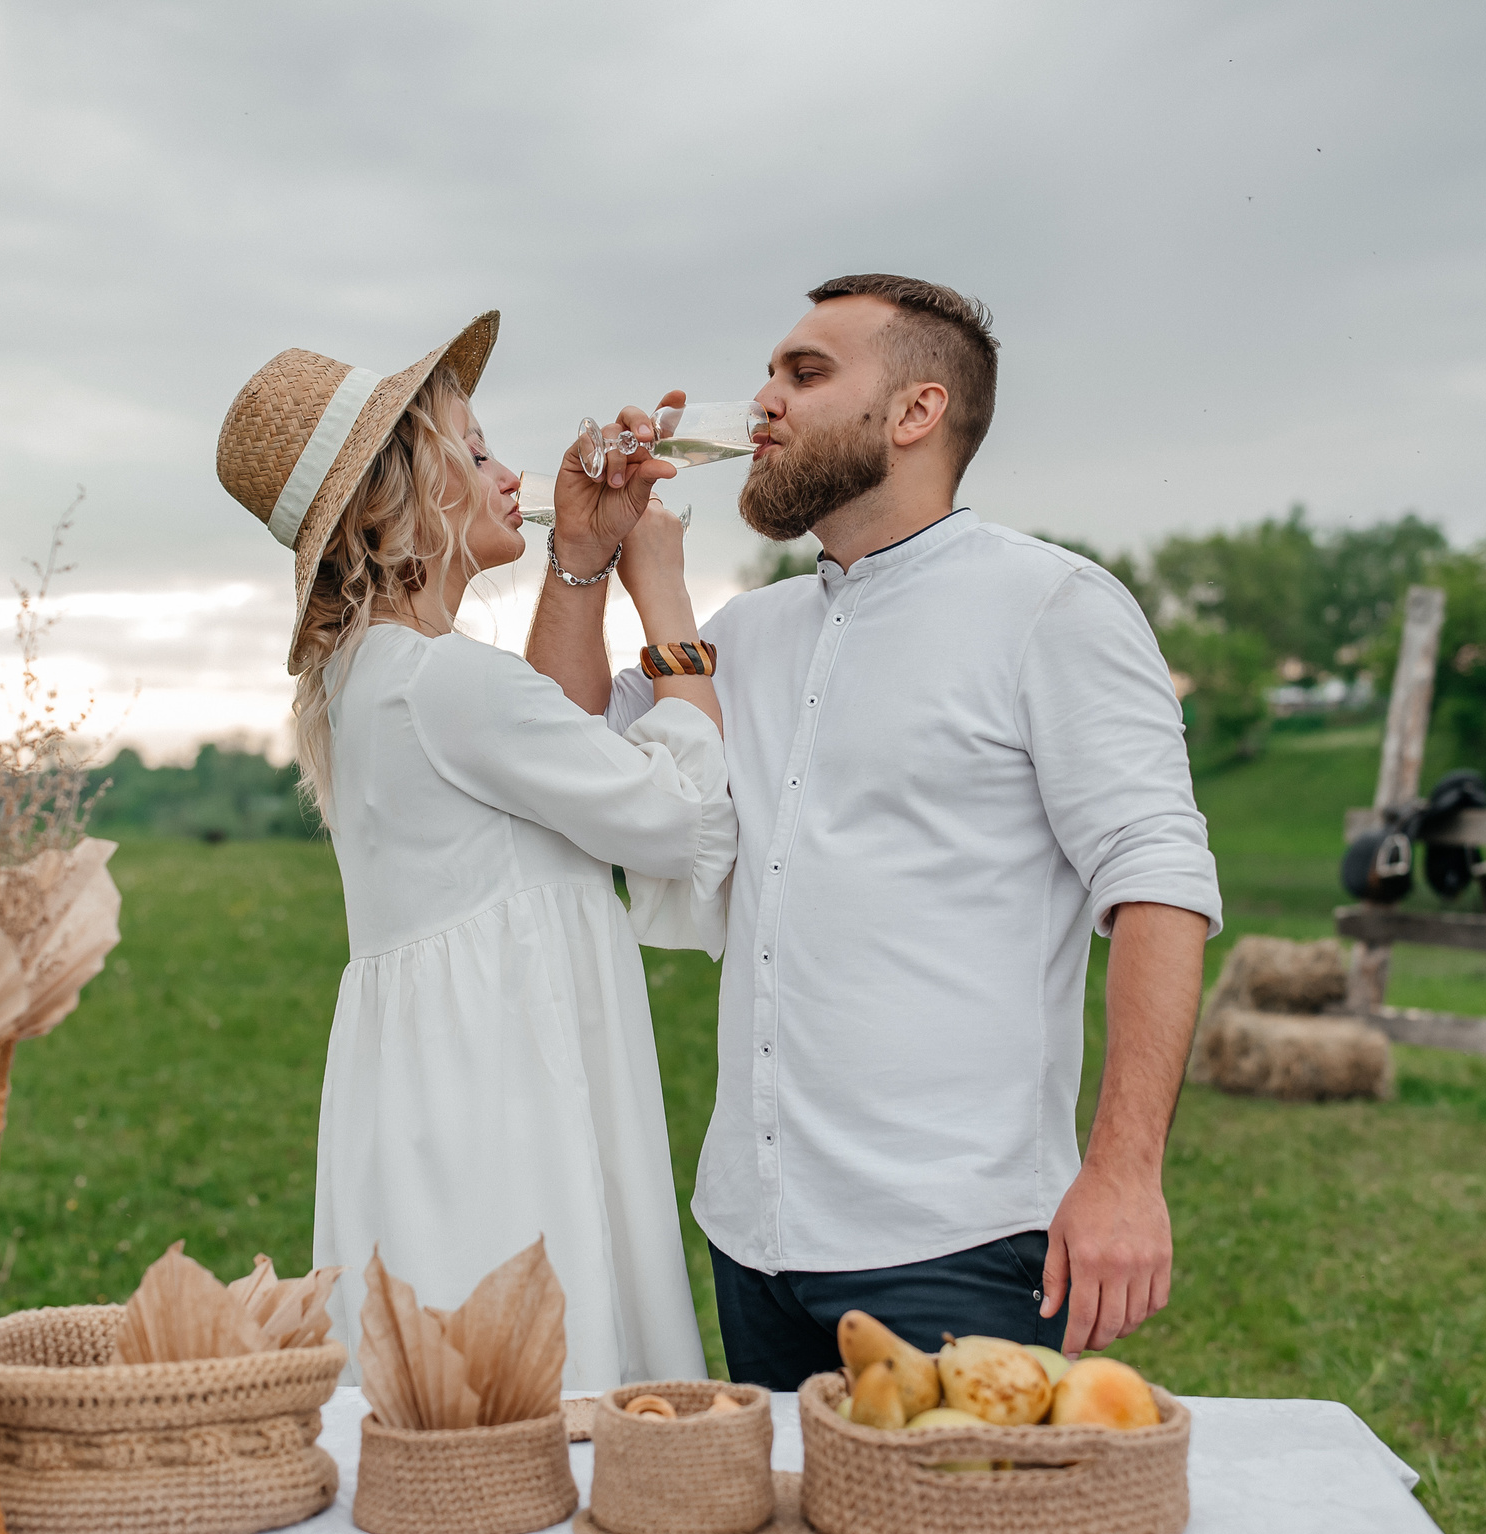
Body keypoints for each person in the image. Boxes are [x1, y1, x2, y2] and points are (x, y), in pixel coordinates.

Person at [529, 275, 1223, 1389]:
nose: (762, 401)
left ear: (915, 413)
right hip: (750, 1235)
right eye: (767, 373)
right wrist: (582, 556)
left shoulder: (1054, 607)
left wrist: (1125, 1173)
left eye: (804, 374)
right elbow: (559, 756)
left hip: (959, 1236)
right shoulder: (745, 634)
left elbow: (1157, 879)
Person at [215, 311, 725, 1387]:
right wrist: (665, 599)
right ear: (404, 496)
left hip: (441, 1100)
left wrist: (578, 555)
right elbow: (681, 823)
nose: (511, 472)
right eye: (478, 451)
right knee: (548, 1381)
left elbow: (552, 737)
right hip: (513, 1107)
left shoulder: (378, 678)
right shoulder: (450, 681)